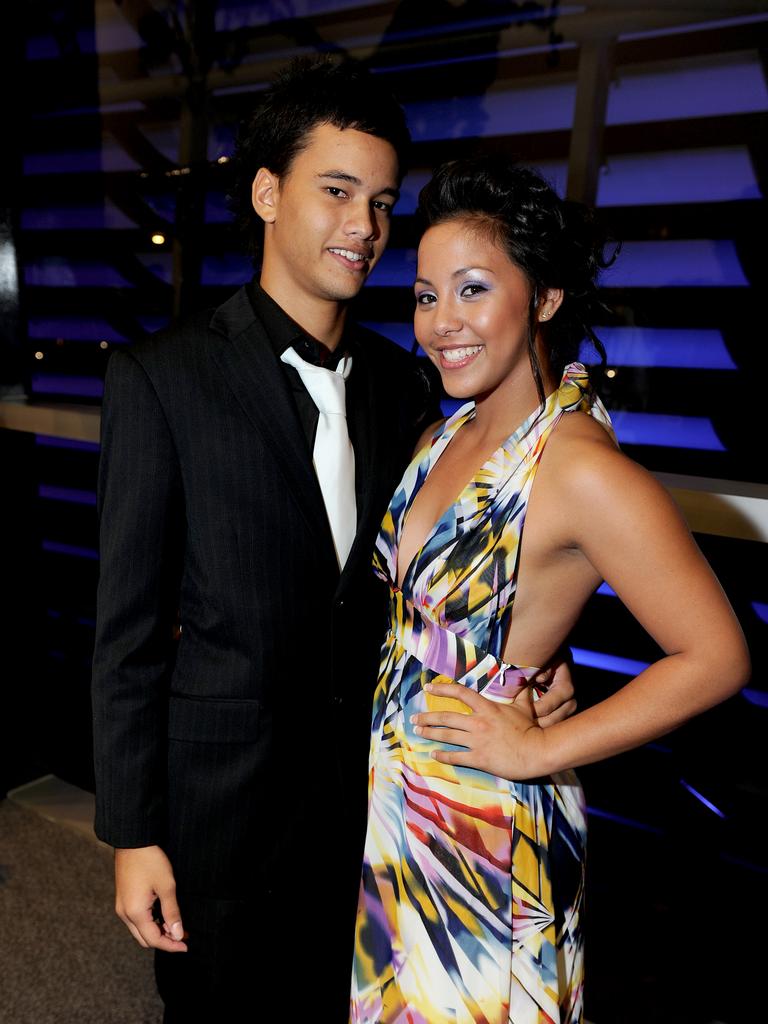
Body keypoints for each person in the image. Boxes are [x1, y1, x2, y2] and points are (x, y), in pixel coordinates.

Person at [91, 58, 575, 1021]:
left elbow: (453, 565)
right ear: (269, 193)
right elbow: (127, 636)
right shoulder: (162, 379)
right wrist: (131, 834)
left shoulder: (412, 389)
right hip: (218, 815)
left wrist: (535, 667)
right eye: (338, 190)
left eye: (383, 201)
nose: (366, 225)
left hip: (376, 810)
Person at [350, 156, 751, 1023]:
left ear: (545, 296)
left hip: (486, 823)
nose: (440, 323)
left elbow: (717, 656)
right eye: (425, 296)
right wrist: (536, 653)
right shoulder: (445, 427)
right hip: (404, 799)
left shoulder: (579, 468)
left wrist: (539, 751)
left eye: (472, 289)